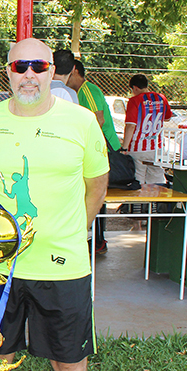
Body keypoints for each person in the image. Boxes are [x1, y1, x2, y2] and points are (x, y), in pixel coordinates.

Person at [0, 38, 109, 371]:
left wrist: (72, 230)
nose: (29, 75)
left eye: (38, 66)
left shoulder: (81, 121)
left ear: (52, 71)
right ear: (9, 73)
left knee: (69, 369)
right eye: (20, 67)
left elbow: (97, 184)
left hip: (63, 269)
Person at [68, 59, 121, 254]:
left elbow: (98, 119)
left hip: (104, 151)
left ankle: (98, 241)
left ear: (74, 72)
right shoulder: (79, 92)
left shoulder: (87, 90)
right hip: (99, 150)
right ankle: (96, 240)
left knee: (96, 193)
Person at [122, 74, 172, 185]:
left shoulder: (134, 101)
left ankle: (139, 202)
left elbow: (131, 126)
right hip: (157, 147)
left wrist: (124, 148)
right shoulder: (161, 98)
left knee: (138, 179)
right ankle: (155, 202)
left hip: (138, 148)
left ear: (135, 88)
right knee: (157, 180)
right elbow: (168, 117)